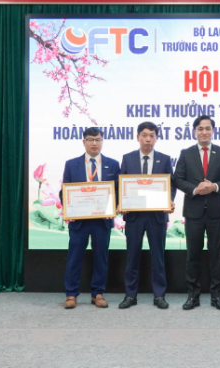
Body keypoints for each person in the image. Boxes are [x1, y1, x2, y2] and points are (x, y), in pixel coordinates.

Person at [174, 115, 220, 310]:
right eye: (200, 129)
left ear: (213, 131)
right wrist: (195, 189)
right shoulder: (186, 153)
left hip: (216, 212)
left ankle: (217, 296)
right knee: (193, 255)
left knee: (217, 255)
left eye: (208, 128)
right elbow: (178, 179)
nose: (204, 132)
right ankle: (193, 296)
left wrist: (214, 187)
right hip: (194, 212)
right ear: (194, 132)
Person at [117, 122, 176, 310]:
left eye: (152, 136)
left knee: (158, 257)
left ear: (156, 138)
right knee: (132, 257)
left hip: (156, 216)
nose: (148, 139)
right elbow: (121, 185)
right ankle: (130, 295)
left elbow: (171, 184)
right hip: (134, 217)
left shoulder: (164, 159)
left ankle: (159, 295)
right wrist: (121, 202)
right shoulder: (127, 158)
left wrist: (169, 200)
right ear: (138, 137)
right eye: (144, 135)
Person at [60, 127, 120, 309]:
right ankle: (71, 294)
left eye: (98, 139)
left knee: (101, 258)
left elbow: (117, 191)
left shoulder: (113, 164)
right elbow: (64, 191)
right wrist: (68, 206)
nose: (95, 143)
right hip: (79, 221)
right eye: (91, 139)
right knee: (74, 257)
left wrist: (116, 205)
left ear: (102, 141)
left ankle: (98, 293)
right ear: (84, 142)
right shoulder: (72, 164)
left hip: (102, 220)